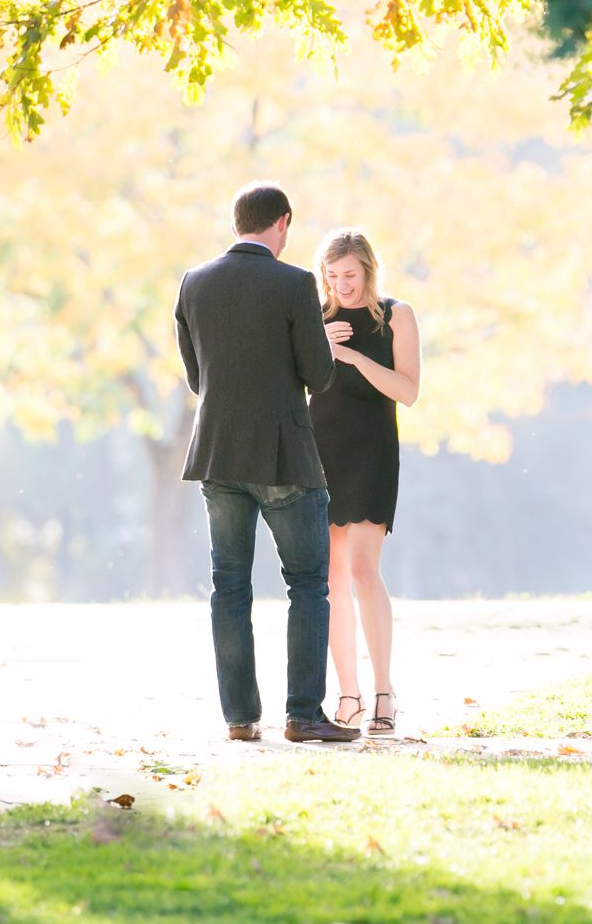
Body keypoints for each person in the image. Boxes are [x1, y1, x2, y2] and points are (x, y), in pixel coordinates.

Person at [173, 182, 361, 745]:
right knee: (307, 583)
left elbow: (195, 376)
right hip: (283, 456)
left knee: (228, 586)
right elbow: (318, 375)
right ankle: (302, 714)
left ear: (237, 226)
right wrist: (322, 345)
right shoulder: (295, 282)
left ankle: (239, 717)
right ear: (282, 222)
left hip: (217, 452)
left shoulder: (193, 282)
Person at [310, 228, 421, 738]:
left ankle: (384, 691)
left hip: (372, 452)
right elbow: (294, 382)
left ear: (369, 271)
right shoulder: (316, 317)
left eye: (350, 276)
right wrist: (316, 346)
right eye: (332, 277)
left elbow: (408, 390)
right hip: (320, 450)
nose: (341, 286)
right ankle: (347, 695)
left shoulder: (398, 315)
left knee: (361, 570)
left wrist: (354, 357)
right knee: (330, 578)